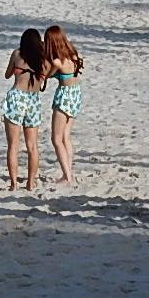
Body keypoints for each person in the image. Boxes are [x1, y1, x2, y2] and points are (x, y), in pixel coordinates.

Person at [1, 29, 48, 191]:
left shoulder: (17, 54)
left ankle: (13, 183)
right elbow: (45, 78)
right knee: (32, 145)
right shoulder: (43, 60)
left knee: (13, 145)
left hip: (16, 97)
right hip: (33, 100)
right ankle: (30, 182)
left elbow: (7, 75)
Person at [44, 25, 84, 185]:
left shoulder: (57, 61)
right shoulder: (73, 55)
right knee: (66, 136)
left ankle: (67, 175)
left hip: (64, 96)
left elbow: (46, 76)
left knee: (56, 138)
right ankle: (68, 171)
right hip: (75, 94)